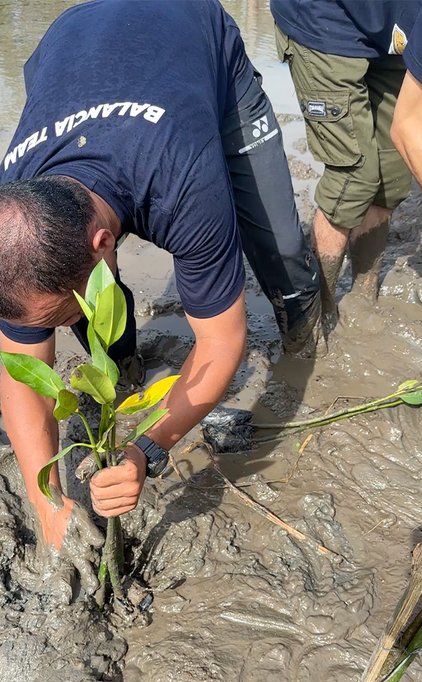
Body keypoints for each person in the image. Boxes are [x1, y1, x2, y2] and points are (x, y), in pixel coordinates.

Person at [0, 0, 323, 550]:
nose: (55, 329)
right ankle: (123, 364)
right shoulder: (17, 215)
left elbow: (222, 342)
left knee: (282, 247)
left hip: (191, 33)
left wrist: (145, 449)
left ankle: (304, 329)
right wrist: (48, 501)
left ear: (106, 245)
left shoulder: (181, 186)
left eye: (62, 316)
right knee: (83, 304)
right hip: (72, 41)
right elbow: (20, 372)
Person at [272, 0, 422, 307]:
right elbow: (409, 128)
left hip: (392, 27)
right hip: (323, 18)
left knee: (391, 176)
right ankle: (317, 313)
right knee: (355, 177)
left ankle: (362, 300)